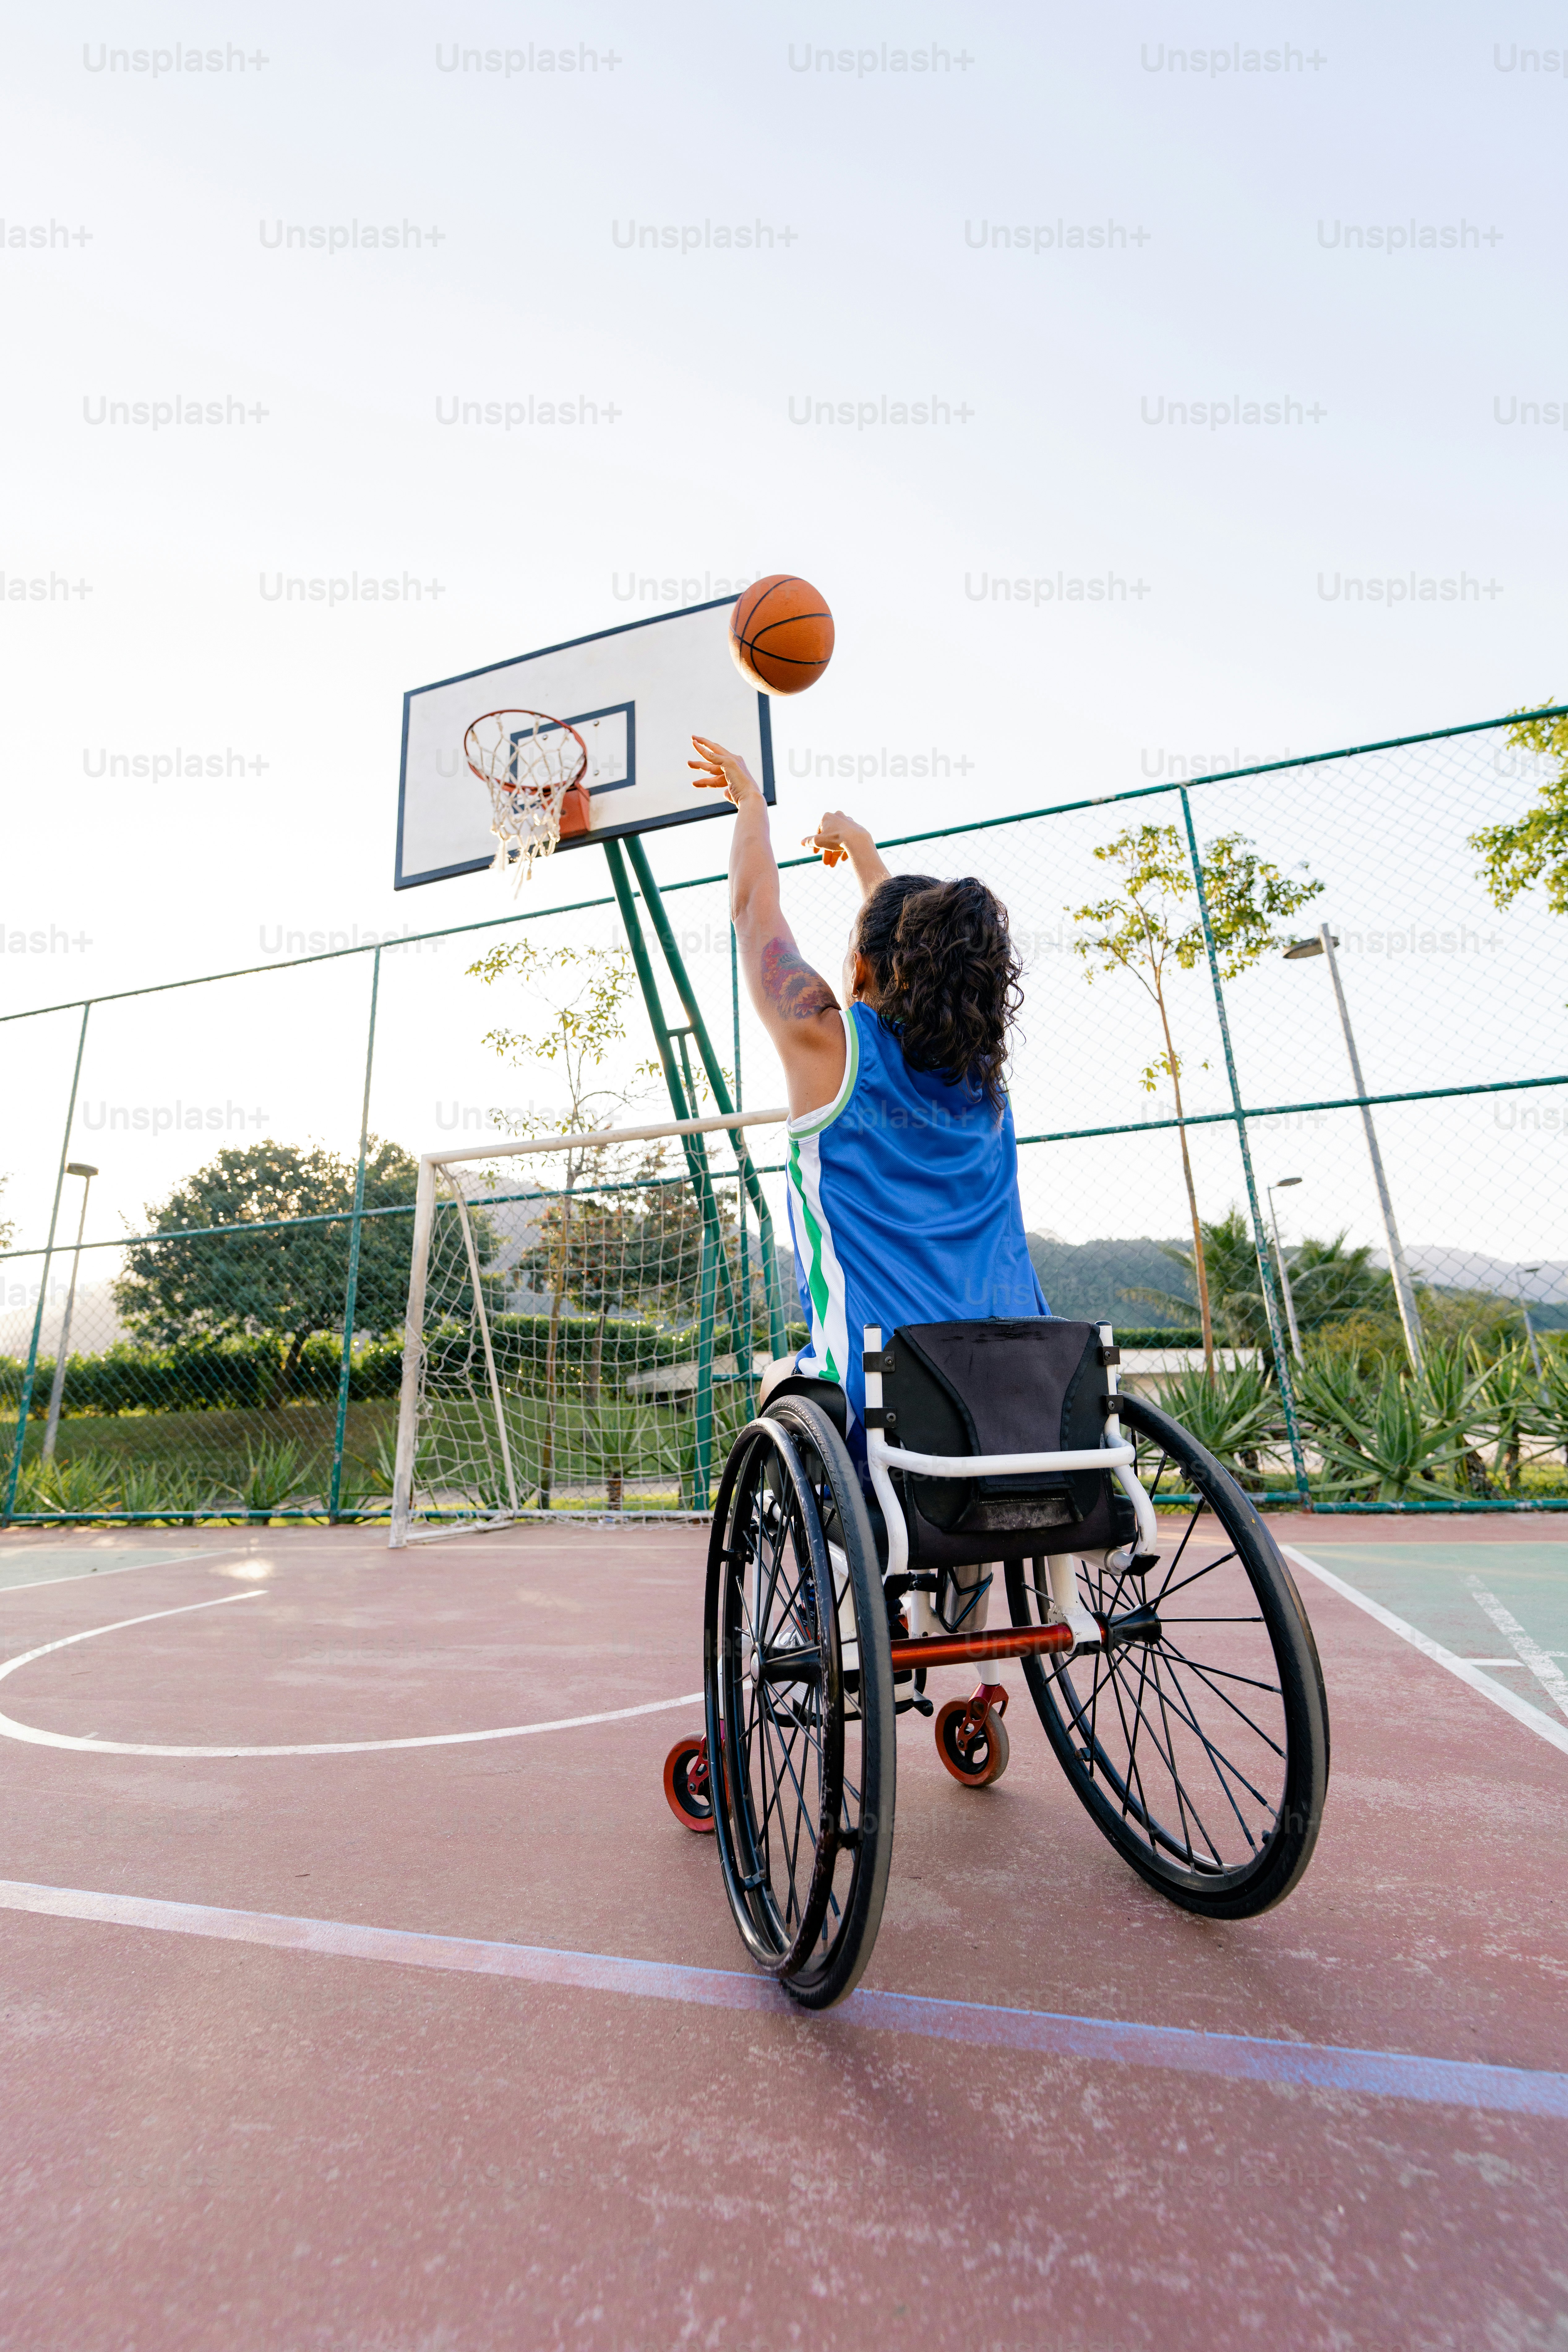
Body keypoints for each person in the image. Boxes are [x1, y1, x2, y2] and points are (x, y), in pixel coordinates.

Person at [690, 733, 1049, 1470]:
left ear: (859, 967)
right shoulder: (986, 1080)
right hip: (1026, 1395)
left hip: (886, 1404)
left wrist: (751, 804)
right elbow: (922, 956)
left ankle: (854, 1584)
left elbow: (755, 909)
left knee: (779, 1377)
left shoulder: (827, 1044)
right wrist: (861, 848)